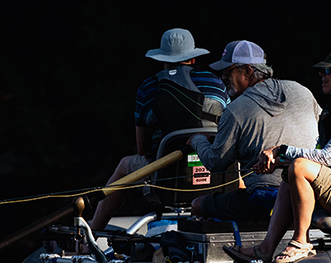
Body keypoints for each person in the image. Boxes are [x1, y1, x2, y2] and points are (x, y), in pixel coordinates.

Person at [224, 47, 331, 263]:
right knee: (291, 171)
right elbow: (316, 157)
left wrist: (281, 150)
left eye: (326, 71)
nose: (321, 75)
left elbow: (327, 157)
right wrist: (277, 162)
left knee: (298, 167)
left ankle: (301, 243)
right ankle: (265, 249)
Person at [89, 28, 229, 231]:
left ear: (162, 60)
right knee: (237, 164)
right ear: (192, 58)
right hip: (215, 171)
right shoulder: (216, 83)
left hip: (165, 177)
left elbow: (141, 149)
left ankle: (92, 233)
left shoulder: (149, 86)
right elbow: (230, 127)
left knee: (124, 164)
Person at [188, 40, 321, 221]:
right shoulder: (302, 91)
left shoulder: (235, 110)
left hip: (262, 201)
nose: (222, 78)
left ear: (248, 71)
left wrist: (197, 140)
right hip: (310, 193)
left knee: (198, 204)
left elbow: (215, 163)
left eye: (228, 72)